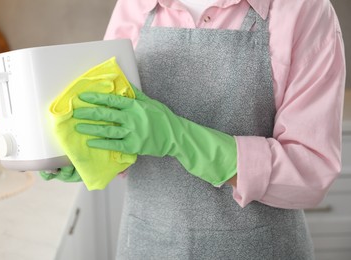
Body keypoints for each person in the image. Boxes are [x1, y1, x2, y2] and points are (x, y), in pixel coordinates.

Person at [43, 0, 346, 259]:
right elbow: (121, 121)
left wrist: (180, 138)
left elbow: (311, 170)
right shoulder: (135, 4)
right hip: (147, 246)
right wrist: (88, 155)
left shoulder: (303, 10)